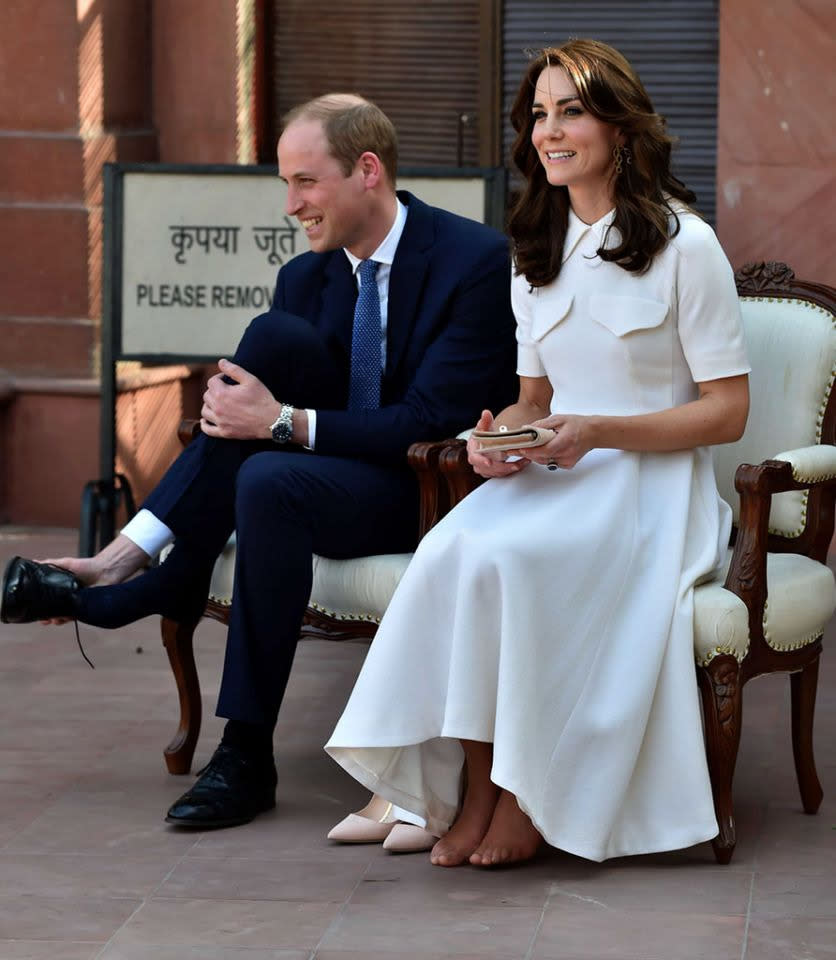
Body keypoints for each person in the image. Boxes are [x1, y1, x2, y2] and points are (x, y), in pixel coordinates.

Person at [0, 94, 518, 833]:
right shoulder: (306, 278)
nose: (290, 204)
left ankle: (143, 571)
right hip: (327, 479)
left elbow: (428, 421)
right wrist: (276, 427)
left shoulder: (472, 260)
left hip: (428, 488)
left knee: (269, 456)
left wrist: (281, 422)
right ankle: (245, 750)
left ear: (367, 171)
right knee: (270, 400)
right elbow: (268, 431)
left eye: (305, 182)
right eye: (285, 183)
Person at [325, 39, 751, 868]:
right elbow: (538, 401)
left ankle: (523, 797)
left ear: (619, 128)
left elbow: (728, 412)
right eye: (540, 115)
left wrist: (598, 433)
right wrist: (496, 439)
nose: (550, 131)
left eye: (572, 112)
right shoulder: (536, 254)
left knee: (510, 561)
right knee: (452, 549)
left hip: (650, 491)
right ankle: (479, 788)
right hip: (558, 473)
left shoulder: (685, 247)